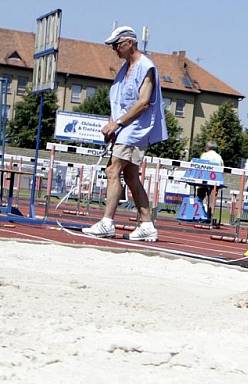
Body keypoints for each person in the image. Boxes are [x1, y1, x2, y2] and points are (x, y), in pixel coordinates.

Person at [82, 26, 168, 241]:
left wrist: (118, 123)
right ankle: (147, 224)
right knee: (130, 176)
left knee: (113, 170)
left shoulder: (146, 67)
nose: (114, 50)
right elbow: (121, 101)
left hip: (136, 129)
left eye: (116, 45)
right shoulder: (125, 68)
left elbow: (143, 102)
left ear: (129, 43)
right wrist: (114, 124)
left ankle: (107, 222)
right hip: (126, 128)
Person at [196, 141, 224, 218]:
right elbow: (222, 169)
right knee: (212, 198)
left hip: (204, 180)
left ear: (207, 147)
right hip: (215, 181)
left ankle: (200, 214)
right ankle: (210, 216)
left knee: (200, 195)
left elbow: (200, 167)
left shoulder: (204, 155)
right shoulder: (219, 157)